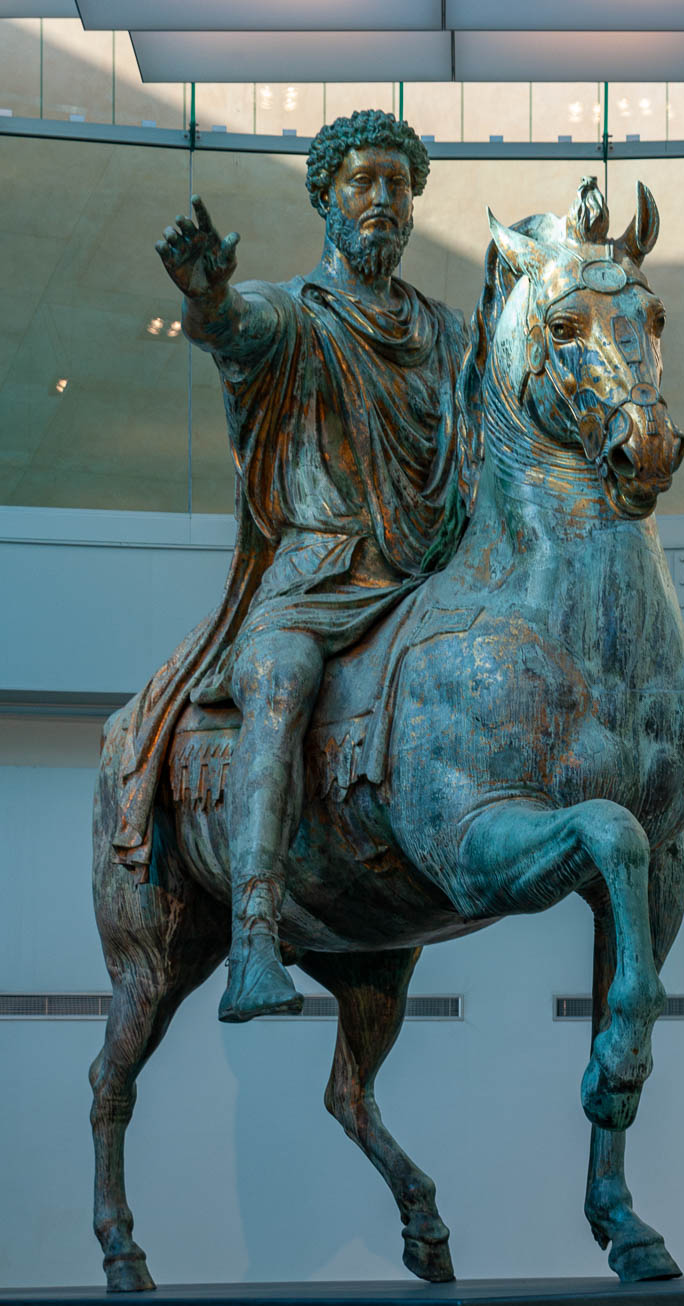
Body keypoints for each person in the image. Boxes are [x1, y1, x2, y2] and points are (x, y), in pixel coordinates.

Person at [113, 110, 467, 1022]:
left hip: (426, 580)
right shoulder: (294, 317)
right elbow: (233, 330)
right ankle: (257, 935)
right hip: (319, 576)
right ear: (326, 196)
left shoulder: (445, 334)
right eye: (364, 182)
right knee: (281, 675)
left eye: (399, 183)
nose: (384, 198)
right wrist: (207, 300)